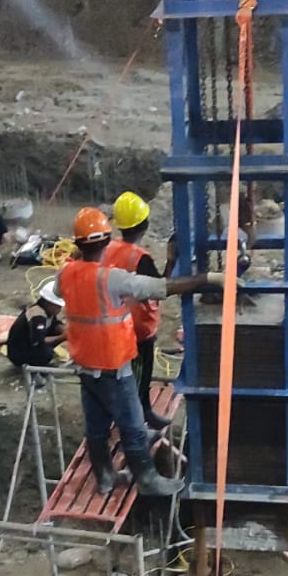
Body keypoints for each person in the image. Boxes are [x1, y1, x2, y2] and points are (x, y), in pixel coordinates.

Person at [57, 206, 221, 497]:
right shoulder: (111, 278)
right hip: (113, 365)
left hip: (84, 365)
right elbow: (162, 287)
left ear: (79, 243)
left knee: (96, 426)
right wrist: (207, 278)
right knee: (132, 427)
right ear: (107, 241)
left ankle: (105, 476)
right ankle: (148, 481)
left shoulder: (67, 273)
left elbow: (59, 290)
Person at [103, 190, 171, 430]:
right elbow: (161, 288)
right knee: (139, 377)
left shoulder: (109, 248)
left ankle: (129, 413)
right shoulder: (140, 258)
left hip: (115, 324)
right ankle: (140, 416)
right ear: (145, 224)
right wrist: (172, 260)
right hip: (139, 329)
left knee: (122, 375)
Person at [6, 280, 66, 370]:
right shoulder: (37, 315)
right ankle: (35, 366)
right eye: (58, 306)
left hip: (29, 342)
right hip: (20, 353)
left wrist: (66, 330)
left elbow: (54, 324)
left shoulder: (47, 310)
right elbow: (39, 341)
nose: (59, 309)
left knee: (57, 333)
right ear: (48, 303)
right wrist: (63, 337)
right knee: (47, 353)